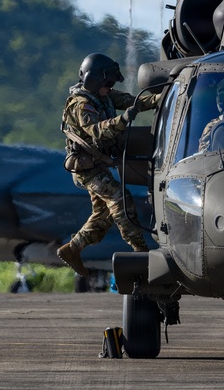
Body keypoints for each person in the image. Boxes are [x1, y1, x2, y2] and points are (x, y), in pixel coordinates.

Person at [56, 53, 160, 276]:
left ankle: (72, 249)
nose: (110, 87)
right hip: (87, 169)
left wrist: (163, 99)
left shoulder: (104, 97)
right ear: (95, 81)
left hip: (98, 165)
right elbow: (96, 131)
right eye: (108, 83)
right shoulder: (82, 105)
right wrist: (123, 120)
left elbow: (135, 102)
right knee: (120, 199)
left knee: (103, 215)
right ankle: (140, 251)